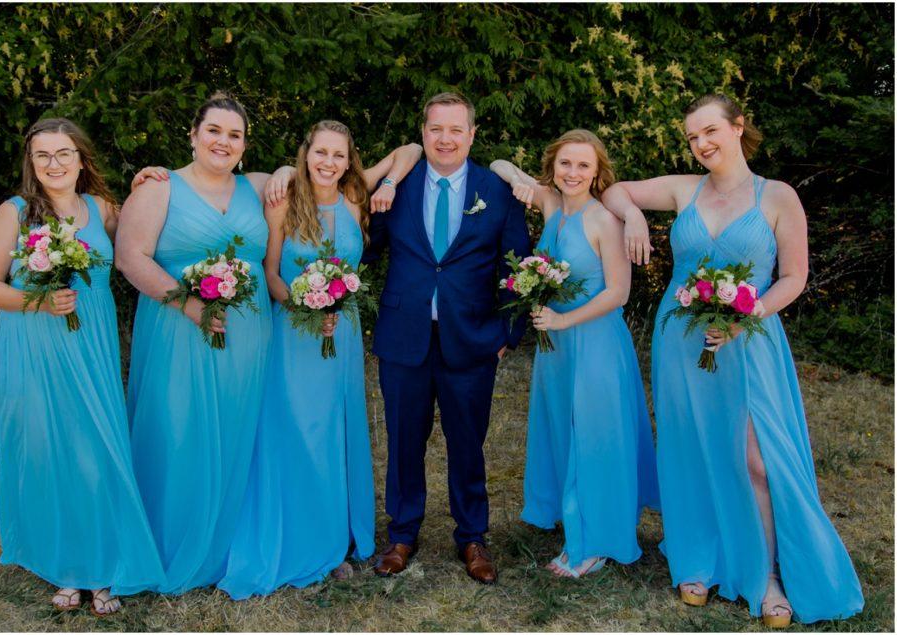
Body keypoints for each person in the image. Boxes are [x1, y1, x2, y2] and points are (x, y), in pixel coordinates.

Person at [601, 94, 864, 626]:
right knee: (690, 447)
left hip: (749, 340)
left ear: (739, 128)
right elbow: (614, 189)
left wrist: (751, 311)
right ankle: (698, 558)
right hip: (682, 341)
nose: (701, 144)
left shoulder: (777, 196)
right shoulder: (683, 189)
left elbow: (794, 275)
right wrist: (631, 216)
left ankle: (764, 575)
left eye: (710, 131)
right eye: (692, 137)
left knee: (757, 462)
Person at [217, 122, 422, 599]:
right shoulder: (283, 200)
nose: (328, 163)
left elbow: (409, 147)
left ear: (350, 160)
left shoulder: (354, 196)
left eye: (339, 155)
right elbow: (268, 270)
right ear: (305, 154)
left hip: (342, 333)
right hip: (292, 331)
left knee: (333, 430)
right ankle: (300, 537)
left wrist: (388, 182)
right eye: (319, 153)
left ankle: (335, 540)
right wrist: (301, 306)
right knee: (297, 430)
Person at [0, 118, 165, 616]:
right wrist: (36, 302)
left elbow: (147, 234)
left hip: (91, 344)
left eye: (64, 154)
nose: (54, 164)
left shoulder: (101, 209)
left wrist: (146, 183)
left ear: (82, 159)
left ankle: (102, 565)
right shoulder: (13, 214)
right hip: (33, 345)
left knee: (96, 448)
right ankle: (67, 567)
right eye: (43, 156)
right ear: (31, 164)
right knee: (48, 448)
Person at [364, 92, 531, 584]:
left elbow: (516, 266)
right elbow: (365, 245)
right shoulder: (399, 187)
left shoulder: (496, 190)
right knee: (403, 441)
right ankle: (402, 533)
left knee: (468, 443)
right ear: (423, 133)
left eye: (456, 129)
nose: (446, 138)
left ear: (472, 135)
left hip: (473, 338)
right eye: (436, 129)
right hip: (404, 336)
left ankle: (473, 537)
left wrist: (509, 332)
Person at [115, 92, 275, 594]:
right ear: (193, 134)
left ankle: (230, 546)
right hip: (177, 330)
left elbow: (316, 173)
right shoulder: (160, 187)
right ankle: (170, 542)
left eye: (234, 134)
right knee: (177, 428)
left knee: (239, 430)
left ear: (246, 145)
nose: (223, 142)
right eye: (214, 131)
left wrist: (290, 172)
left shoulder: (260, 186)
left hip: (247, 334)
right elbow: (131, 258)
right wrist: (191, 306)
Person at [489, 129, 660, 579]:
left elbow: (619, 293)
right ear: (553, 165)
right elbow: (498, 166)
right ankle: (574, 509)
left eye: (584, 165)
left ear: (598, 172)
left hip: (595, 341)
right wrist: (519, 180)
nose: (573, 173)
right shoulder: (549, 204)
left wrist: (564, 320)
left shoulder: (604, 220)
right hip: (556, 345)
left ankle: (596, 543)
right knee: (562, 427)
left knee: (595, 435)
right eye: (565, 163)